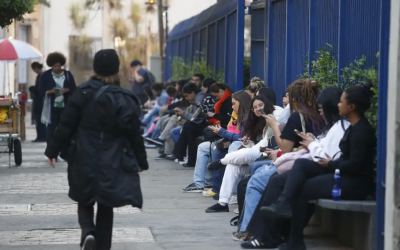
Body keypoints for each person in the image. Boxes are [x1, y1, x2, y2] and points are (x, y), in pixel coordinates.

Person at [45, 49, 148, 250]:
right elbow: (134, 133)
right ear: (116, 69)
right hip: (113, 157)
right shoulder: (124, 97)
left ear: (95, 68)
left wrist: (52, 151)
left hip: (83, 154)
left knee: (84, 198)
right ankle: (103, 246)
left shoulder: (82, 92)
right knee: (105, 203)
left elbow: (66, 125)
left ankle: (88, 232)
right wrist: (141, 161)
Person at [256, 84, 376, 250]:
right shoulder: (353, 127)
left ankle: (294, 239)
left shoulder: (361, 131)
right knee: (301, 165)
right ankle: (288, 221)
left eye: (342, 102)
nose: (338, 105)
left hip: (354, 184)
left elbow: (355, 165)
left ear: (352, 107)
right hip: (343, 175)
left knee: (301, 187)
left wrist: (330, 163)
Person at [233, 86, 350, 242]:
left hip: (320, 169)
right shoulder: (327, 122)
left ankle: (255, 232)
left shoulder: (304, 118)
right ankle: (272, 233)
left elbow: (289, 148)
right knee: (267, 176)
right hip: (308, 164)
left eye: (288, 99)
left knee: (259, 181)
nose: (286, 104)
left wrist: (275, 127)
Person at [204, 95, 275, 213]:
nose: (258, 109)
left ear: (266, 105)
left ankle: (221, 162)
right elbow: (251, 142)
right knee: (232, 165)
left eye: (260, 106)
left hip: (265, 157)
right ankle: (223, 202)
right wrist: (247, 141)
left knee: (242, 153)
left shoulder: (271, 119)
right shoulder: (254, 121)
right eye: (255, 107)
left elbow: (263, 144)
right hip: (254, 157)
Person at [181, 90, 251, 192]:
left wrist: (221, 132)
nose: (232, 107)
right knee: (203, 146)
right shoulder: (237, 114)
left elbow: (240, 137)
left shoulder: (247, 116)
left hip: (235, 142)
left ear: (242, 102)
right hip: (227, 139)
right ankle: (201, 183)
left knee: (217, 147)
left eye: (234, 104)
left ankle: (219, 187)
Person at [174, 83, 233, 167]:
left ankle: (182, 156)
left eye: (216, 96)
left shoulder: (227, 101)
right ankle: (185, 157)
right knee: (188, 127)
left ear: (220, 91)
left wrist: (214, 115)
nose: (216, 98)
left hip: (219, 127)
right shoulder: (223, 100)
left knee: (189, 127)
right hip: (213, 124)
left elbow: (227, 118)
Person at [39, 52, 77, 148]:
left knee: (64, 128)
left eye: (59, 66)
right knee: (51, 129)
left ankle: (63, 149)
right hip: (51, 107)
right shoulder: (46, 75)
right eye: (54, 66)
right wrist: (50, 92)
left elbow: (74, 89)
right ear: (51, 65)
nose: (57, 68)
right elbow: (41, 90)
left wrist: (67, 90)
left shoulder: (68, 75)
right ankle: (50, 149)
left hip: (65, 106)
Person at [30, 62, 46, 142]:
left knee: (40, 119)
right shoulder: (40, 76)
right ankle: (40, 136)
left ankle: (42, 136)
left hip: (41, 101)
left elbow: (40, 90)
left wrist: (33, 89)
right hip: (39, 100)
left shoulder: (42, 76)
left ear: (36, 68)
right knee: (38, 119)